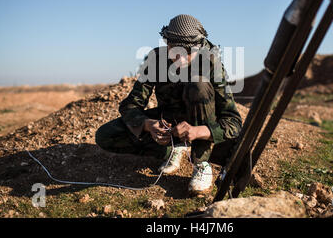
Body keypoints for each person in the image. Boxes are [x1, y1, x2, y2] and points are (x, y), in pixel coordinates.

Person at [95, 14, 242, 195]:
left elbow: (233, 123)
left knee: (199, 84)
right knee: (105, 136)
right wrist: (148, 125)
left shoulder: (211, 63)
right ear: (167, 44)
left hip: (203, 123)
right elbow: (131, 104)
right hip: (170, 123)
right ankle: (173, 149)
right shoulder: (156, 59)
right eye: (175, 51)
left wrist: (197, 132)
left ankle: (201, 163)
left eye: (188, 53)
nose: (180, 59)